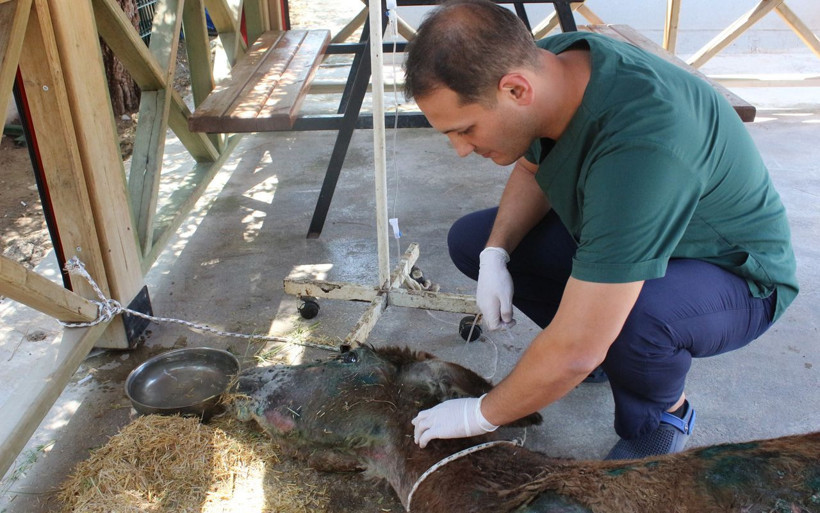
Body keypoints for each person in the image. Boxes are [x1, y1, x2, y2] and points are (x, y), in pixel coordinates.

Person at [404, 0, 798, 459]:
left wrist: (482, 414)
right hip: (643, 231)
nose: (460, 150)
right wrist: (496, 253)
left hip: (733, 274)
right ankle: (614, 353)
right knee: (476, 241)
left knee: (633, 319)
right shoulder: (549, 67)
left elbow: (576, 349)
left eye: (465, 129)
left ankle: (662, 414)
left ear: (515, 90)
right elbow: (534, 170)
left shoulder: (642, 143)